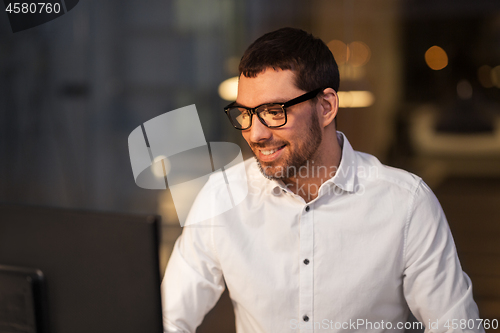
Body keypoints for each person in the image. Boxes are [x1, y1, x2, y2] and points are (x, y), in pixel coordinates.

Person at [161, 27, 483, 333]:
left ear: (326, 107)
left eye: (274, 111)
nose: (255, 134)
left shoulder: (406, 204)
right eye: (245, 114)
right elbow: (167, 319)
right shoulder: (221, 198)